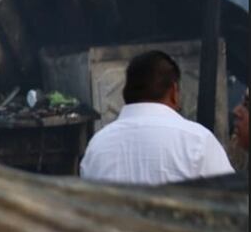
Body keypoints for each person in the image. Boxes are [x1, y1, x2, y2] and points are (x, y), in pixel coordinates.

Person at [80, 50, 234, 185]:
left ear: (126, 93)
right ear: (174, 91)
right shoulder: (198, 141)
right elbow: (231, 203)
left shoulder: (97, 146)